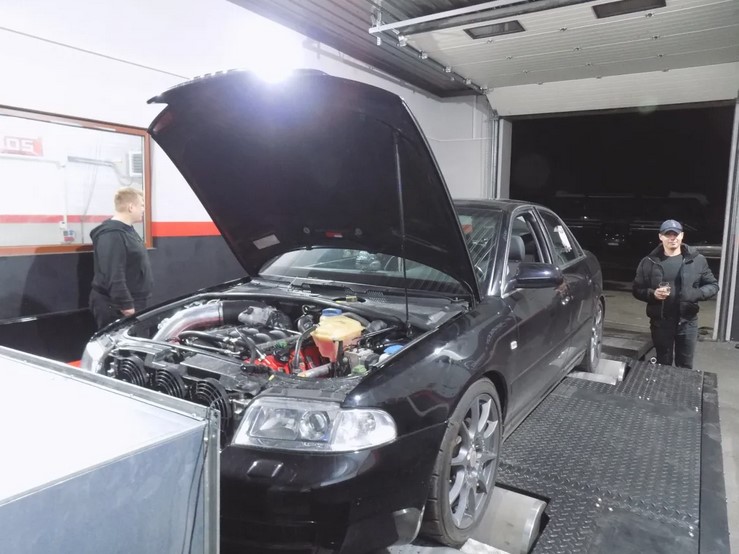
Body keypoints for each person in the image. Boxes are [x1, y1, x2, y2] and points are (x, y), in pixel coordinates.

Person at [632, 219, 718, 368]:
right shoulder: (649, 262)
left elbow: (713, 285)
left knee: (685, 365)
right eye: (668, 235)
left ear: (682, 235)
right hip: (661, 323)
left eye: (676, 234)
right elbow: (637, 289)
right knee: (663, 364)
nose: (672, 238)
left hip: (688, 322)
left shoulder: (697, 260)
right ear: (661, 237)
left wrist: (696, 293)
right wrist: (652, 294)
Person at [89, 187, 153, 329]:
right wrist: (126, 305)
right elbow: (113, 273)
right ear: (131, 207)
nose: (144, 209)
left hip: (134, 302)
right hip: (117, 307)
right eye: (142, 205)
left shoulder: (126, 230)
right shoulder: (111, 235)